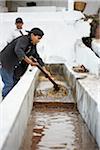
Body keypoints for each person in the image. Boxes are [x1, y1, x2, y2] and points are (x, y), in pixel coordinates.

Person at [0, 27, 52, 99]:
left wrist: (45, 70)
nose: (39, 41)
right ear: (33, 35)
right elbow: (18, 50)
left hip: (13, 64)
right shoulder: (24, 39)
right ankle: (5, 101)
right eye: (38, 38)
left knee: (15, 81)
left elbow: (36, 56)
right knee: (9, 83)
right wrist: (29, 61)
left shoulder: (32, 44)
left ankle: (11, 98)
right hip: (5, 62)